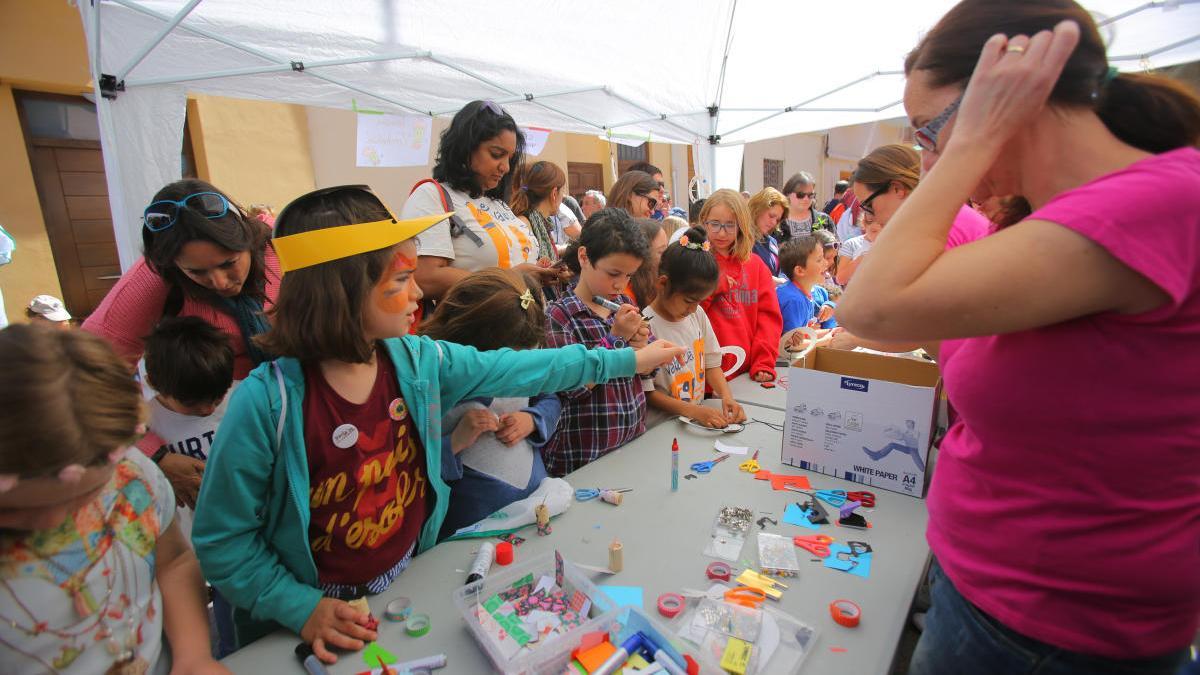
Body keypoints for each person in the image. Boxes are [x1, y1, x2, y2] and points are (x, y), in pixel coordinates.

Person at [837, 2, 1200, 673]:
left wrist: (969, 142)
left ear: (1003, 96)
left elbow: (873, 307)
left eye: (927, 132)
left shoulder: (1154, 202)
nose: (927, 155)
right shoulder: (1053, 218)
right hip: (1001, 598)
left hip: (1048, 628)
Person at [191, 186, 683, 661]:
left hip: (406, 583)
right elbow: (223, 542)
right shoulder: (264, 404)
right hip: (313, 617)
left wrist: (626, 360)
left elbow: (527, 367)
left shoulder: (416, 362)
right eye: (399, 281)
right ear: (343, 294)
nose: (416, 293)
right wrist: (299, 607)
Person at [0, 325, 226, 675]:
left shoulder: (132, 477)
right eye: (14, 509)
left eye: (86, 496)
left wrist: (194, 656)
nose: (51, 520)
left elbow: (174, 561)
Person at [83, 179, 281, 380]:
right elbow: (91, 368)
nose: (219, 282)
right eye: (197, 272)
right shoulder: (155, 276)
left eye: (228, 263)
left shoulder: (280, 240)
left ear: (247, 238)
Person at [420, 269, 561, 539]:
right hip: (468, 530)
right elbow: (409, 466)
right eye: (506, 365)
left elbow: (549, 397)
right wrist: (455, 442)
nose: (515, 372)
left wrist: (532, 419)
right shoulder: (431, 382)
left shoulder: (521, 355)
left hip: (533, 512)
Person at [400, 100, 557, 306]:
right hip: (471, 333)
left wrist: (537, 270)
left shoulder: (496, 202)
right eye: (496, 154)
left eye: (510, 158)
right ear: (466, 149)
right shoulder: (431, 196)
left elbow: (511, 262)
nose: (506, 167)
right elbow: (425, 278)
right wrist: (509, 279)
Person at [541, 208, 655, 476]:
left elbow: (648, 371)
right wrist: (616, 339)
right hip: (583, 456)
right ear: (584, 256)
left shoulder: (624, 304)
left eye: (629, 276)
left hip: (629, 443)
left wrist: (642, 349)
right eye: (614, 273)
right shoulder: (559, 315)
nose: (620, 284)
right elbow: (571, 387)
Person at [643, 226, 746, 429]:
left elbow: (711, 363)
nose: (693, 309)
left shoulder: (697, 314)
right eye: (689, 301)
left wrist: (726, 397)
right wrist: (693, 411)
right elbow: (647, 392)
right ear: (663, 284)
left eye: (699, 301)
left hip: (695, 420)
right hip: (662, 428)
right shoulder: (645, 326)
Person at [136, 317, 234, 515]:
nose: (208, 409)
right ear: (154, 384)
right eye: (191, 404)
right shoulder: (145, 421)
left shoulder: (241, 399)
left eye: (217, 398)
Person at [698, 189, 783, 382]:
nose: (721, 232)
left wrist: (763, 361)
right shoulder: (695, 261)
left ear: (741, 225)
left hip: (746, 372)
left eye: (730, 225)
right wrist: (712, 287)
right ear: (704, 222)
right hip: (705, 373)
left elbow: (768, 319)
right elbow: (686, 314)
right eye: (715, 224)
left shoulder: (755, 265)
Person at [777, 236, 837, 333]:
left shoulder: (814, 292)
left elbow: (829, 326)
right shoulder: (794, 300)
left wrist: (830, 306)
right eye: (819, 260)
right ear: (800, 270)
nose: (826, 263)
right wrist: (828, 338)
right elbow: (791, 345)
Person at [748, 187, 789, 278]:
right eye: (771, 216)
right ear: (757, 209)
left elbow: (780, 270)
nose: (774, 222)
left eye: (777, 219)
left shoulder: (771, 241)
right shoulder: (742, 239)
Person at [628, 218, 669, 308]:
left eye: (667, 248)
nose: (668, 255)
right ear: (643, 255)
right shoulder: (627, 295)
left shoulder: (661, 281)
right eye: (661, 251)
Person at [779, 172, 833, 240]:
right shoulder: (777, 221)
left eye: (810, 195)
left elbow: (835, 247)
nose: (806, 199)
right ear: (788, 194)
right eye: (800, 195)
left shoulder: (824, 220)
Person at [835, 211, 882, 287]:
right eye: (874, 231)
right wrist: (861, 259)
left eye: (883, 231)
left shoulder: (890, 243)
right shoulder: (851, 244)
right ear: (864, 224)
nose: (878, 235)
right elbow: (840, 279)